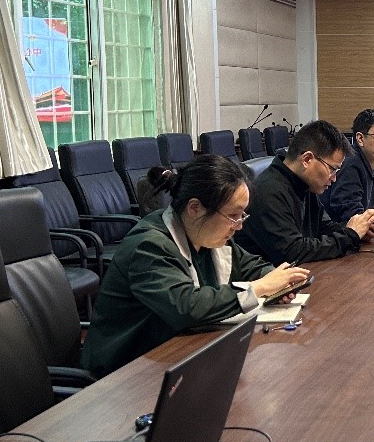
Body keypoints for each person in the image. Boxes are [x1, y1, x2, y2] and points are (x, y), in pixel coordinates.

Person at [81, 155, 309, 377]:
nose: (239, 226)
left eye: (242, 215)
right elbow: (186, 306)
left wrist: (279, 283)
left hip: (172, 355)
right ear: (195, 208)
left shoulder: (205, 234)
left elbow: (250, 266)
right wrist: (259, 288)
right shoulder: (149, 246)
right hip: (124, 372)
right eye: (233, 215)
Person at [236, 119, 374, 264]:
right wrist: (350, 235)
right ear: (307, 159)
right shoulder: (268, 192)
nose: (334, 178)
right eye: (332, 169)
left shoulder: (304, 183)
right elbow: (293, 252)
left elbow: (324, 227)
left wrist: (359, 229)